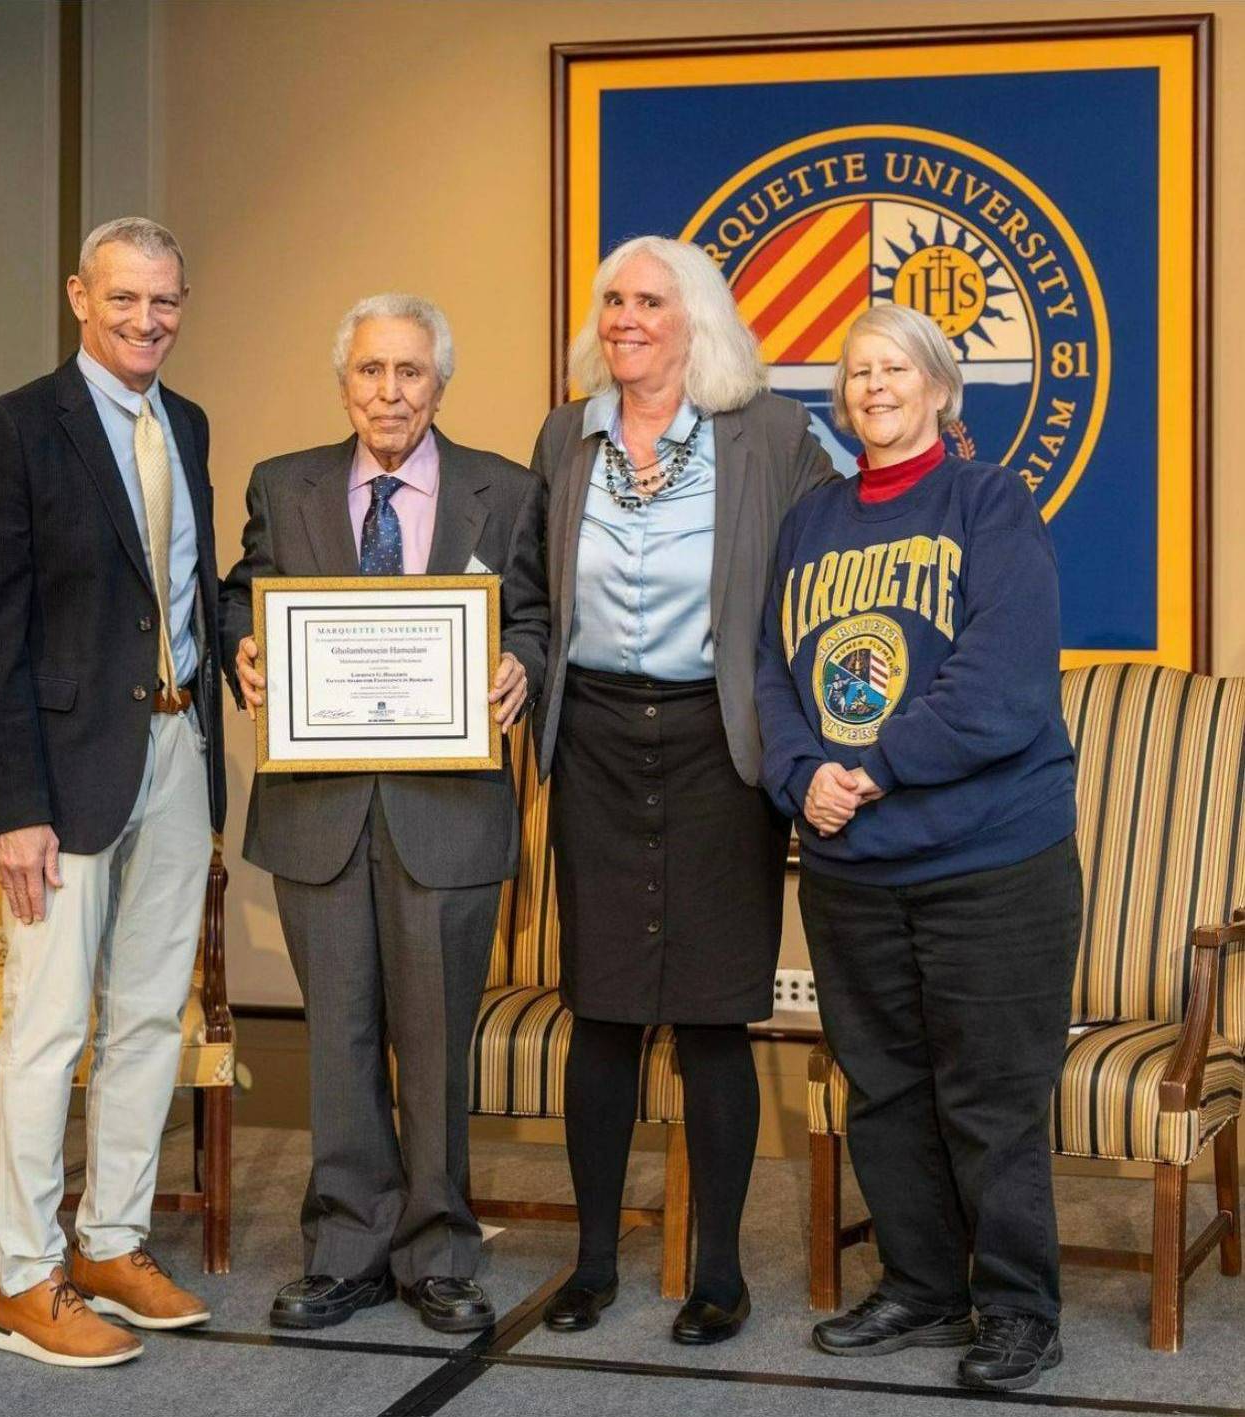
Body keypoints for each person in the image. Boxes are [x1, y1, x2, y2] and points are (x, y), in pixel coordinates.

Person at [756, 303, 1081, 1392]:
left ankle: (1018, 1308)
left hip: (991, 862)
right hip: (851, 866)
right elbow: (770, 669)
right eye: (857, 372)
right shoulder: (810, 521)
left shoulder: (991, 503)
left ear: (940, 389)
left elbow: (1003, 681)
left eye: (895, 368)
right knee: (885, 1089)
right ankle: (923, 1285)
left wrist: (876, 764)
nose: (874, 386)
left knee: (990, 1096)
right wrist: (802, 773)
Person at [221, 294, 548, 1335]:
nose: (389, 392)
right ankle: (345, 1251)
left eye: (410, 372)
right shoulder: (285, 483)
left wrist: (521, 663)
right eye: (370, 370)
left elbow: (539, 616)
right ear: (344, 382)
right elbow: (239, 595)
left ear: (440, 384)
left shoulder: (506, 488)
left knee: (436, 1041)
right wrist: (243, 647)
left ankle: (440, 1253)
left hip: (445, 812)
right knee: (340, 1038)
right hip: (319, 811)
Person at [529, 235, 835, 1343]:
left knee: (711, 1017)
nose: (626, 318)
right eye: (613, 299)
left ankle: (719, 1274)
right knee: (604, 1014)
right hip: (597, 743)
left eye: (650, 301)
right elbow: (526, 586)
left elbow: (832, 569)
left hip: (719, 745)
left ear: (695, 319)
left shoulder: (771, 434)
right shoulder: (564, 435)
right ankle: (590, 1264)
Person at [0, 217, 226, 1367]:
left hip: (178, 749)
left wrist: (245, 653)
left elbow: (187, 588)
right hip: (61, 778)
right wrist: (14, 804)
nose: (146, 321)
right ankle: (24, 1278)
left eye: (164, 301)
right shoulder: (14, 428)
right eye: (123, 299)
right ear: (77, 296)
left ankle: (111, 1242)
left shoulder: (186, 422)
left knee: (152, 1012)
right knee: (51, 1023)